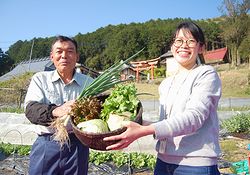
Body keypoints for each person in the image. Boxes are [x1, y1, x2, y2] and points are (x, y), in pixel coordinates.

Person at [104, 21, 222, 175]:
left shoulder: (206, 74)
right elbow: (167, 124)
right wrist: (137, 124)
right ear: (172, 46)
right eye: (178, 41)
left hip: (195, 164)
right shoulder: (166, 83)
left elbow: (194, 117)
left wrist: (144, 130)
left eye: (191, 41)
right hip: (163, 162)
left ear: (201, 47)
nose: (183, 45)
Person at [24, 35, 93, 175]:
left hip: (77, 145)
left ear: (77, 56)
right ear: (52, 56)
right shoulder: (40, 79)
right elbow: (31, 110)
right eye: (59, 51)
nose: (64, 56)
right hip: (47, 143)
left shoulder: (89, 83)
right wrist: (57, 110)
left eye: (70, 51)